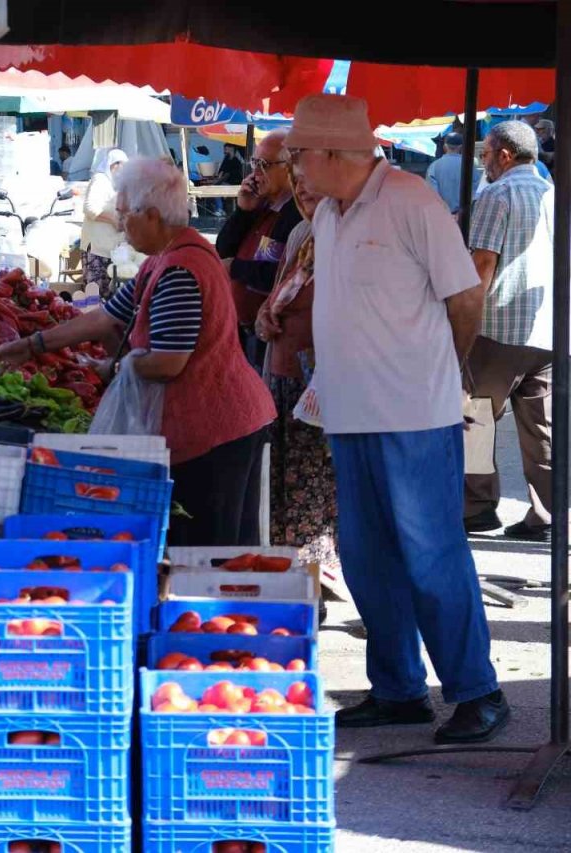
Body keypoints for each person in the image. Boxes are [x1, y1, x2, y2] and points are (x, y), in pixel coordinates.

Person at [288, 93, 507, 744]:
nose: (295, 166)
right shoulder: (329, 211)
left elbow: (466, 292)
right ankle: (399, 688)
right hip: (350, 413)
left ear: (331, 152)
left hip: (414, 411)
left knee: (431, 554)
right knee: (364, 554)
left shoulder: (409, 198)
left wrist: (449, 360)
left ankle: (478, 691)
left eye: (299, 153)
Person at [0, 157, 276, 546]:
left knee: (208, 546)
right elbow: (106, 317)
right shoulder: (168, 256)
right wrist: (31, 346)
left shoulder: (180, 270)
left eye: (125, 215)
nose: (121, 225)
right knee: (223, 544)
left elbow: (168, 362)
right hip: (228, 418)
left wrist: (118, 366)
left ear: (153, 216)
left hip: (216, 425)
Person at [461, 121, 555, 542]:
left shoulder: (497, 194)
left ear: (503, 155)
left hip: (498, 327)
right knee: (542, 429)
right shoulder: (554, 194)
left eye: (485, 156)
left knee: (477, 418)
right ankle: (547, 512)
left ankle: (478, 507)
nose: (483, 164)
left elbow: (482, 263)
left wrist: (464, 321)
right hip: (549, 328)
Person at [253, 171, 339, 573]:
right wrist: (263, 319)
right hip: (283, 378)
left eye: (312, 183)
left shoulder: (343, 241)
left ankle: (312, 578)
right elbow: (274, 296)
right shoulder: (302, 235)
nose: (303, 190)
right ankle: (293, 573)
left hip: (322, 387)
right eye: (297, 181)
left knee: (312, 489)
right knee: (283, 484)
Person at [214, 130, 302, 369]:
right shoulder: (260, 204)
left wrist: (236, 268)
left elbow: (278, 274)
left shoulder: (296, 213)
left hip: (267, 333)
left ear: (290, 166)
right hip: (241, 328)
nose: (256, 173)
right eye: (254, 163)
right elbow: (224, 248)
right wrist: (243, 210)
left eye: (264, 165)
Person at [80, 148, 128, 292]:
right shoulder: (100, 180)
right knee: (95, 295)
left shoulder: (115, 184)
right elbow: (90, 208)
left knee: (108, 295)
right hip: (96, 248)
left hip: (110, 249)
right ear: (114, 165)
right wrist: (113, 220)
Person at [425, 132, 481, 214]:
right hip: (464, 217)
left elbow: (432, 195)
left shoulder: (434, 166)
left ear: (444, 147)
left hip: (442, 216)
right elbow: (476, 193)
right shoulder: (470, 167)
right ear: (461, 147)